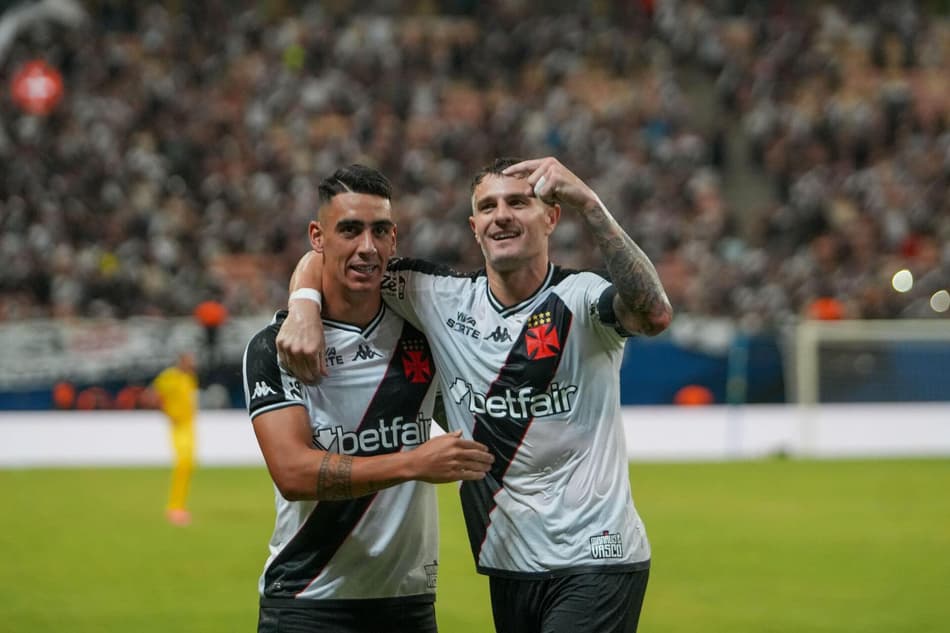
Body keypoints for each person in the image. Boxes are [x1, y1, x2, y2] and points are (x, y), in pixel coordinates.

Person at [277, 156, 673, 633]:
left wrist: (591, 205)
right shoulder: (435, 295)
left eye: (518, 203)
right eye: (488, 206)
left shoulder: (583, 299)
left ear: (551, 217)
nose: (501, 215)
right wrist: (302, 304)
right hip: (509, 562)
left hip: (597, 555)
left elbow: (653, 315)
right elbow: (338, 253)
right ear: (474, 226)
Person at [242, 164, 494, 633]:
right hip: (307, 602)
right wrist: (413, 463)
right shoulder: (277, 346)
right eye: (350, 230)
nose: (367, 247)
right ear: (317, 237)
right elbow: (294, 473)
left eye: (380, 231)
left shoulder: (425, 329)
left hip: (408, 602)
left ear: (394, 239)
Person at [148, 351, 199, 526]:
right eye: (189, 362)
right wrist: (167, 412)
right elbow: (152, 395)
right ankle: (175, 508)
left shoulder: (189, 379)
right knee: (182, 464)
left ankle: (179, 506)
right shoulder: (169, 377)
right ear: (181, 362)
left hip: (190, 426)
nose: (192, 365)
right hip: (178, 428)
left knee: (189, 465)